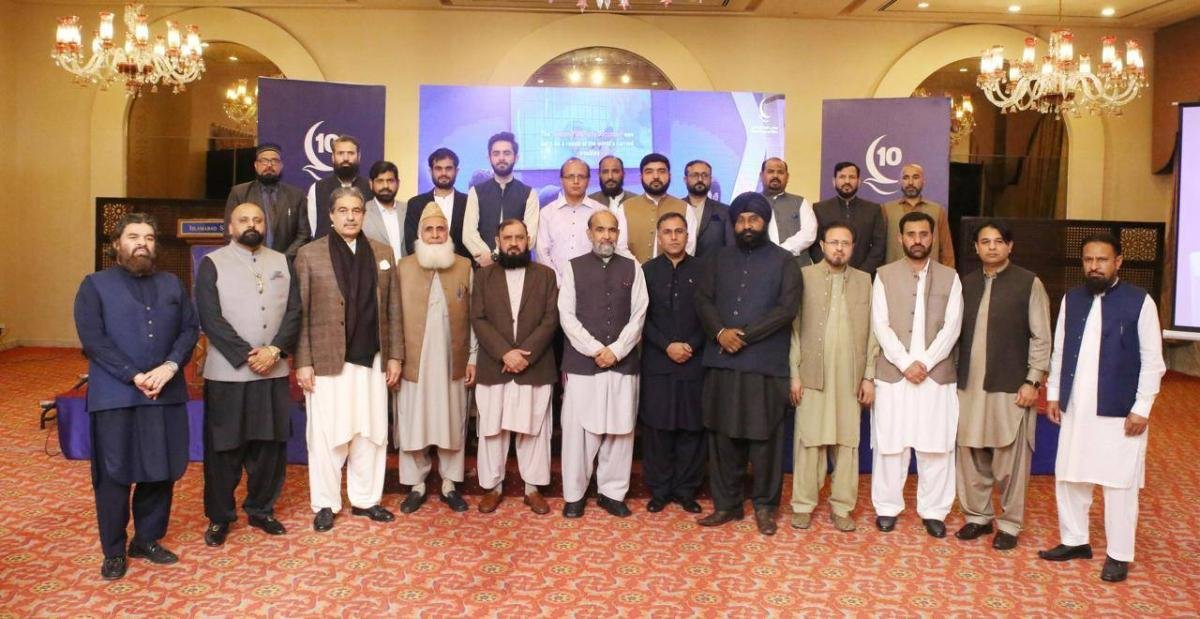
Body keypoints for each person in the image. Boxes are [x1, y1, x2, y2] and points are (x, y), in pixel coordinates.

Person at [73, 213, 200, 580]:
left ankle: (146, 539)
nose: (142, 243)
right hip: (116, 395)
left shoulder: (172, 284)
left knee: (161, 469)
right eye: (133, 236)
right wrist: (134, 375)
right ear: (117, 244)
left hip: (165, 392)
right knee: (114, 475)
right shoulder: (94, 285)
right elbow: (93, 340)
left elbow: (189, 329)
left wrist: (171, 367)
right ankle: (114, 550)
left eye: (148, 237)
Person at [1039, 232, 1166, 583]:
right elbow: (1060, 351)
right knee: (1070, 474)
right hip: (1076, 405)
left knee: (1119, 483)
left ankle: (1119, 554)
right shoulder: (1072, 299)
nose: (1094, 266)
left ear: (1118, 262)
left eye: (1102, 260)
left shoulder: (1140, 301)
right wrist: (1054, 394)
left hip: (1120, 409)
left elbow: (1153, 361)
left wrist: (1142, 407)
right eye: (1089, 260)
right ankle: (1074, 540)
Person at [294, 186, 402, 532]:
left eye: (356, 210)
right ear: (330, 215)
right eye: (343, 210)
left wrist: (395, 356)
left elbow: (393, 310)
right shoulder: (309, 255)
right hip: (327, 361)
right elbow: (300, 313)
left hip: (372, 359)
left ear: (364, 214)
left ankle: (366, 500)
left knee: (371, 433)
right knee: (327, 435)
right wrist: (303, 361)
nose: (351, 216)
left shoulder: (383, 252)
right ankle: (325, 503)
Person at [695, 192, 802, 536]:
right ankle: (726, 504)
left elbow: (786, 309)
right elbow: (703, 300)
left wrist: (743, 335)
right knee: (722, 437)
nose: (747, 226)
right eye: (741, 220)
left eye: (753, 219)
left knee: (765, 439)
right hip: (722, 361)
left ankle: (765, 507)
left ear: (765, 222)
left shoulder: (784, 261)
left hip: (764, 365)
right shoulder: (717, 258)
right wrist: (720, 332)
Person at [195, 203, 301, 547]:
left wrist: (275, 350)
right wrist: (246, 355)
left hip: (273, 370)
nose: (251, 224)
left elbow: (295, 311)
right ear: (230, 227)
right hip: (228, 374)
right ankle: (220, 517)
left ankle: (261, 509)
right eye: (244, 220)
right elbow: (210, 318)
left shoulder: (282, 261)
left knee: (270, 446)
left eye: (258, 220)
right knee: (224, 448)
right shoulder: (212, 263)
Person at [954, 220, 1051, 550]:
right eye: (985, 241)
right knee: (971, 452)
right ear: (976, 248)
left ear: (1010, 246)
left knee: (1010, 459)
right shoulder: (966, 284)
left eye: (998, 241)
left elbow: (1041, 337)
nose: (992, 247)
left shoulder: (1028, 283)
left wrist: (1033, 380)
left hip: (1011, 384)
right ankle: (977, 517)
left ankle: (1009, 524)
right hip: (969, 385)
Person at [870, 211, 963, 538]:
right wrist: (904, 362)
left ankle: (934, 511)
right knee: (890, 445)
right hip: (894, 374)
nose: (918, 240)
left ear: (932, 237)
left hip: (935, 375)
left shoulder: (951, 277)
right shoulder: (883, 275)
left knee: (936, 445)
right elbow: (879, 324)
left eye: (924, 234)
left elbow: (953, 326)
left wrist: (925, 361)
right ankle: (887, 507)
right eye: (911, 234)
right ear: (900, 239)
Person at [558, 209, 648, 518]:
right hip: (583, 363)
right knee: (578, 433)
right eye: (600, 230)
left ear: (618, 234)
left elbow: (639, 314)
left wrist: (617, 350)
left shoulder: (633, 267)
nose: (606, 236)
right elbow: (567, 316)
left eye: (612, 230)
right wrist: (596, 349)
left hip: (622, 362)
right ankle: (574, 495)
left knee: (620, 430)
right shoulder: (572, 267)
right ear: (589, 233)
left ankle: (612, 493)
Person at [788, 222, 878, 532]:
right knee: (809, 441)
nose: (839, 248)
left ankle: (842, 507)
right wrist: (794, 374)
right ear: (822, 245)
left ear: (853, 248)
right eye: (834, 242)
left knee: (847, 443)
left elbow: (874, 332)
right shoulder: (804, 277)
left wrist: (869, 377)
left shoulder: (865, 281)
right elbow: (794, 329)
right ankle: (803, 505)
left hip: (850, 377)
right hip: (811, 373)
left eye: (845, 243)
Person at [394, 203, 477, 514]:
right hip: (413, 361)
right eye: (428, 230)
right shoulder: (403, 267)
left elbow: (475, 317)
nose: (435, 235)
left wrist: (473, 358)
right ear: (419, 234)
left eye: (440, 229)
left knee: (452, 419)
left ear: (448, 233)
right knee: (412, 419)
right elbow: (392, 317)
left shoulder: (464, 266)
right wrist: (394, 358)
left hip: (453, 359)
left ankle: (449, 483)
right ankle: (415, 484)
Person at [472, 219, 559, 514]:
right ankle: (492, 487)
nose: (513, 243)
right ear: (497, 241)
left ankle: (532, 488)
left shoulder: (546, 275)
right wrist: (505, 353)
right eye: (507, 237)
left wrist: (524, 355)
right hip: (494, 364)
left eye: (519, 237)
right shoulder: (483, 276)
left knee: (534, 428)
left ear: (528, 240)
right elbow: (478, 318)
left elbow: (550, 319)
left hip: (535, 364)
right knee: (491, 428)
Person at [640, 212, 706, 514]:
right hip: (658, 360)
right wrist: (667, 345)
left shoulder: (704, 269)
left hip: (694, 360)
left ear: (687, 236)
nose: (674, 237)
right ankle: (660, 490)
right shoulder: (646, 271)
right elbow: (641, 317)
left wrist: (690, 345)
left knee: (691, 428)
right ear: (659, 237)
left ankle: (686, 490)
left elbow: (710, 315)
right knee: (658, 429)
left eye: (679, 231)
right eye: (667, 232)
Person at [535, 158, 623, 284]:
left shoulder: (601, 211)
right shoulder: (547, 213)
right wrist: (560, 284)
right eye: (570, 177)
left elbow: (609, 249)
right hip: (555, 286)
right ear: (561, 180)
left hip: (594, 284)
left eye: (581, 177)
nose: (576, 181)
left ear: (588, 180)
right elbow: (542, 253)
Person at [462, 132, 540, 267]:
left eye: (507, 153)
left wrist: (496, 255)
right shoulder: (476, 192)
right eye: (496, 153)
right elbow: (469, 234)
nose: (501, 158)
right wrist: (489, 257)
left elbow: (530, 237)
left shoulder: (529, 194)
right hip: (484, 267)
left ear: (516, 157)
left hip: (518, 264)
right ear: (489, 158)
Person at [224, 143, 310, 258]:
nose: (269, 165)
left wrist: (282, 259)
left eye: (274, 161)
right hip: (248, 261)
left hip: (286, 262)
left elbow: (304, 234)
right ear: (256, 165)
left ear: (281, 166)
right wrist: (250, 256)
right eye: (264, 161)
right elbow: (230, 231)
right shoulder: (239, 193)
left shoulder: (296, 195)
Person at [809, 162, 886, 275]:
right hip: (827, 275)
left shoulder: (873, 210)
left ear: (859, 182)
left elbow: (879, 247)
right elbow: (815, 245)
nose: (847, 181)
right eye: (842, 177)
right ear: (834, 181)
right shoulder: (820, 209)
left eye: (852, 177)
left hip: (864, 276)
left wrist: (861, 273)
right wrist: (830, 269)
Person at [620, 153, 696, 264]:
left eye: (661, 171)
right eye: (649, 172)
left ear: (669, 176)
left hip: (675, 272)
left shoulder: (685, 208)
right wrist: (639, 270)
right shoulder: (625, 207)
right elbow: (620, 247)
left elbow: (689, 246)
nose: (655, 176)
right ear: (641, 177)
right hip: (633, 272)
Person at [882, 163, 954, 267]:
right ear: (900, 182)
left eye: (915, 177)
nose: (910, 182)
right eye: (906, 178)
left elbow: (946, 251)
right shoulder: (886, 210)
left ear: (923, 181)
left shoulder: (937, 211)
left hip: (930, 274)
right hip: (894, 274)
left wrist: (947, 274)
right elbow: (878, 249)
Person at [404, 148, 471, 260]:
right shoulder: (415, 204)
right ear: (431, 171)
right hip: (424, 267)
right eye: (438, 168)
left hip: (461, 267)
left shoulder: (469, 202)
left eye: (448, 168)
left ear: (456, 171)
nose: (443, 173)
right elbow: (411, 243)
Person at [307, 135, 374, 240]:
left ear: (359, 157)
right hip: (326, 248)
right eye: (340, 153)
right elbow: (312, 230)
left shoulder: (371, 188)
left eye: (351, 153)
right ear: (333, 157)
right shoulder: (317, 188)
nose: (346, 158)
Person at [760, 157, 817, 265]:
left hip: (796, 266)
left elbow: (809, 233)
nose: (775, 176)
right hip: (761, 265)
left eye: (780, 172)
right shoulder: (752, 202)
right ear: (761, 176)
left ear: (787, 177)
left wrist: (782, 251)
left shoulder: (800, 202)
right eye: (770, 171)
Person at [682, 160, 733, 259]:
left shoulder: (724, 211)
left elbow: (731, 247)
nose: (700, 179)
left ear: (710, 179)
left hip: (714, 267)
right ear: (685, 179)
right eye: (695, 175)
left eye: (705, 175)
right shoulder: (676, 207)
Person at [361, 161, 406, 259]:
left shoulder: (409, 210)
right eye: (380, 181)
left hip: (406, 268)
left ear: (398, 183)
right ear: (371, 184)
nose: (385, 186)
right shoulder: (362, 212)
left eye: (390, 181)